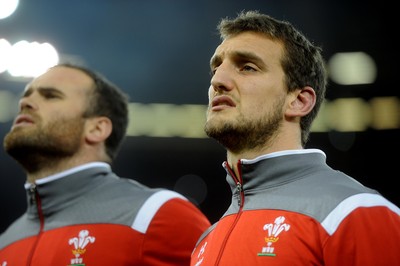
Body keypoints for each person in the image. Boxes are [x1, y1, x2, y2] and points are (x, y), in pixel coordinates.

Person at [190, 10, 400, 266]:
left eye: (247, 67)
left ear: (299, 101)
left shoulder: (355, 213)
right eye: (216, 69)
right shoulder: (207, 240)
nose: (218, 81)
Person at [0, 63, 211, 265]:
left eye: (50, 96)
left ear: (97, 129)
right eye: (26, 95)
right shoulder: (6, 242)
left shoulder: (158, 215)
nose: (24, 103)